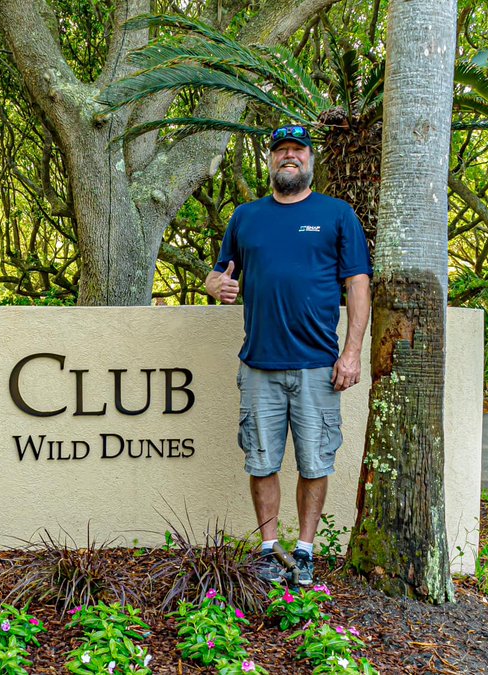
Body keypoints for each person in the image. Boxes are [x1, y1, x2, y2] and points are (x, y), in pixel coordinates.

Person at [203, 124, 371, 586]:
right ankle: (268, 550)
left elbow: (358, 284)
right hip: (259, 365)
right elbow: (217, 275)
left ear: (311, 160)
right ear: (271, 160)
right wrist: (216, 285)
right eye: (281, 151)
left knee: (315, 461)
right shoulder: (246, 217)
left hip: (319, 365)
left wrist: (352, 353)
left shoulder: (336, 215)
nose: (289, 157)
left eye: (298, 150)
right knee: (262, 461)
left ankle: (305, 550)